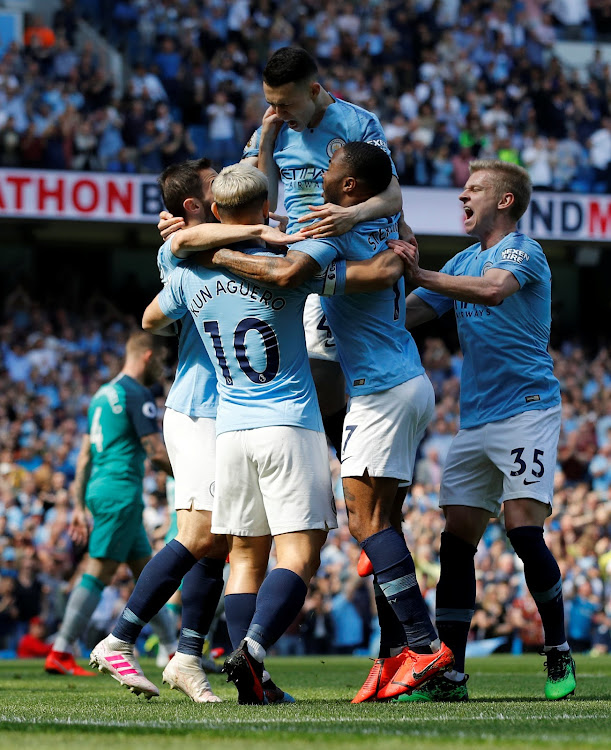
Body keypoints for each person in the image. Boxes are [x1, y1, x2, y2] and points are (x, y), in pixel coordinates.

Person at [142, 162, 406, 703]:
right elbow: (373, 275)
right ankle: (253, 647)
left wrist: (203, 244)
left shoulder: (188, 268)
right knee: (299, 555)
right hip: (289, 422)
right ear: (264, 208)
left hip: (230, 430)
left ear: (216, 213)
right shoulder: (298, 261)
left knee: (244, 556)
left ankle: (251, 686)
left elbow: (152, 318)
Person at [206, 143, 454, 703]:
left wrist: (218, 255)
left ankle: (422, 645)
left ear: (348, 190)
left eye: (331, 175)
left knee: (366, 526)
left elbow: (292, 270)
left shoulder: (331, 225)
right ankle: (396, 658)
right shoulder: (389, 219)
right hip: (408, 381)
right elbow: (392, 228)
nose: (319, 181)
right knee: (381, 528)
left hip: (378, 391)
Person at [91, 158, 298, 704]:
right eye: (213, 188)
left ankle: (188, 656)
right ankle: (120, 637)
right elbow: (150, 317)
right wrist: (257, 228)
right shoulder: (180, 245)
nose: (224, 190)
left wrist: (272, 133)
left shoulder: (207, 244)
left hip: (230, 412)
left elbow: (251, 178)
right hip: (200, 406)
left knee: (226, 541)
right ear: (193, 207)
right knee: (204, 535)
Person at [160, 46, 411, 460]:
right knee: (293, 363)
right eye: (269, 101)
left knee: (334, 364)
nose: (276, 109)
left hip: (338, 248)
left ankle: (359, 462)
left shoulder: (357, 123)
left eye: (285, 102)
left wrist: (354, 216)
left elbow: (393, 192)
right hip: (286, 250)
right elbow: (257, 202)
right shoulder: (268, 131)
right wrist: (269, 140)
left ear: (314, 90)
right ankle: (325, 458)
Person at [392, 158, 576, 702]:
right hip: (474, 418)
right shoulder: (464, 259)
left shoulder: (523, 251)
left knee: (522, 531)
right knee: (456, 543)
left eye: (473, 189)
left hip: (527, 408)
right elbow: (410, 313)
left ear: (505, 200)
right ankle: (451, 673)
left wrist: (421, 272)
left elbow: (493, 291)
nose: (461, 197)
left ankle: (558, 648)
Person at [44, 331, 177, 686]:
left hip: (102, 489)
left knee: (147, 574)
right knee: (99, 571)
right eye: (163, 360)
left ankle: (172, 648)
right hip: (120, 490)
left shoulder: (101, 395)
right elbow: (155, 452)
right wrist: (191, 477)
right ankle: (60, 650)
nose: (163, 367)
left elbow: (85, 455)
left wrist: (77, 503)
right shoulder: (137, 394)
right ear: (148, 355)